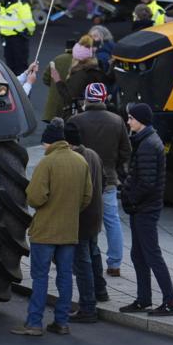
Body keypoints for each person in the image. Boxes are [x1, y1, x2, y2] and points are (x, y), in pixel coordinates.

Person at [11, 118, 92, 336]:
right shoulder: (80, 162)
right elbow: (87, 197)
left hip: (45, 231)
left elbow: (35, 198)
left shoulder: (47, 163)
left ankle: (34, 323)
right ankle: (62, 322)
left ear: (49, 142)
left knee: (40, 277)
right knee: (65, 276)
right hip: (69, 230)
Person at [119, 103, 173, 317]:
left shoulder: (147, 145)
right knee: (138, 254)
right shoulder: (146, 141)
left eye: (131, 118)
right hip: (143, 208)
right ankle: (144, 299)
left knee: (152, 255)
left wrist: (130, 200)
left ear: (140, 120)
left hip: (145, 209)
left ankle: (170, 302)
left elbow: (146, 182)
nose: (128, 122)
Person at [68, 82, 131, 278]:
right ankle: (114, 264)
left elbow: (69, 148)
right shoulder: (117, 120)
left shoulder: (75, 120)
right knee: (112, 220)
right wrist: (115, 168)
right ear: (105, 99)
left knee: (78, 219)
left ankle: (77, 260)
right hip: (109, 178)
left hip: (81, 177)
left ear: (86, 99)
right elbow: (126, 151)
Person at [65, 121, 107, 324]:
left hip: (82, 217)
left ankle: (88, 307)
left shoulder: (75, 159)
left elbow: (76, 193)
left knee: (82, 263)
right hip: (95, 215)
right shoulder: (93, 154)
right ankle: (101, 291)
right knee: (94, 252)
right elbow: (104, 181)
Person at [51, 36, 106, 118]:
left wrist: (58, 80)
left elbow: (70, 98)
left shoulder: (80, 75)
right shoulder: (96, 70)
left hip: (79, 116)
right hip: (95, 113)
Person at [0, 0, 35, 75]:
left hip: (18, 38)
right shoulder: (3, 3)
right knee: (10, 66)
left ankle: (23, 88)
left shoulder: (21, 4)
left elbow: (29, 22)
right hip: (7, 38)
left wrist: (29, 33)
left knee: (20, 66)